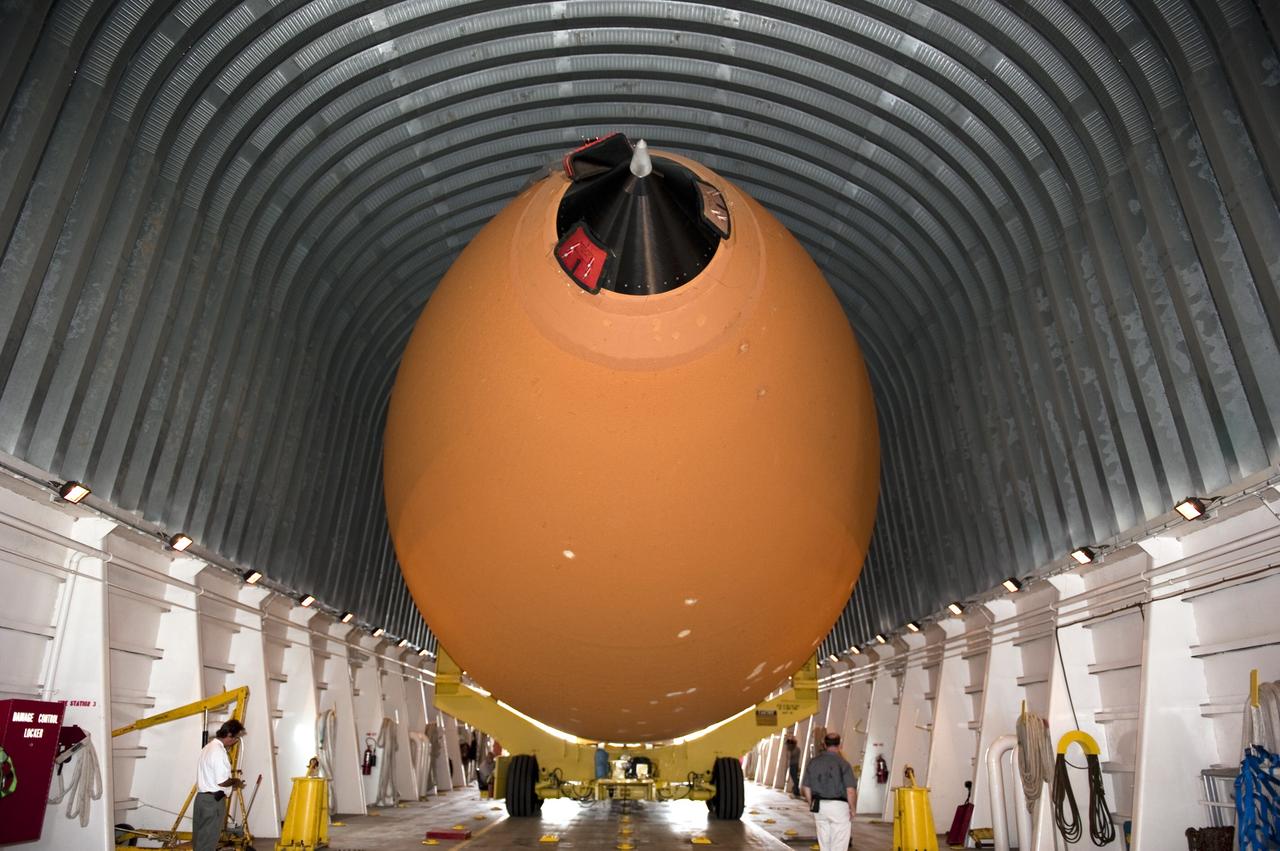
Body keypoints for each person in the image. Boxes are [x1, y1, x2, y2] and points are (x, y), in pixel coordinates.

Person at [194, 720, 246, 851]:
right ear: (229, 734)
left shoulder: (207, 748)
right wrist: (236, 782)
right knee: (208, 842)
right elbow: (222, 781)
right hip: (213, 803)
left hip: (201, 799)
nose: (235, 741)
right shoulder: (218, 751)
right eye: (235, 738)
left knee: (200, 840)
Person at [801, 733, 857, 851]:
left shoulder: (813, 762)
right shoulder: (843, 764)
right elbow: (850, 790)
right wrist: (852, 808)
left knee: (824, 842)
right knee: (839, 842)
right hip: (839, 806)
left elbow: (806, 787)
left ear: (824, 744)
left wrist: (811, 802)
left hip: (819, 805)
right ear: (840, 745)